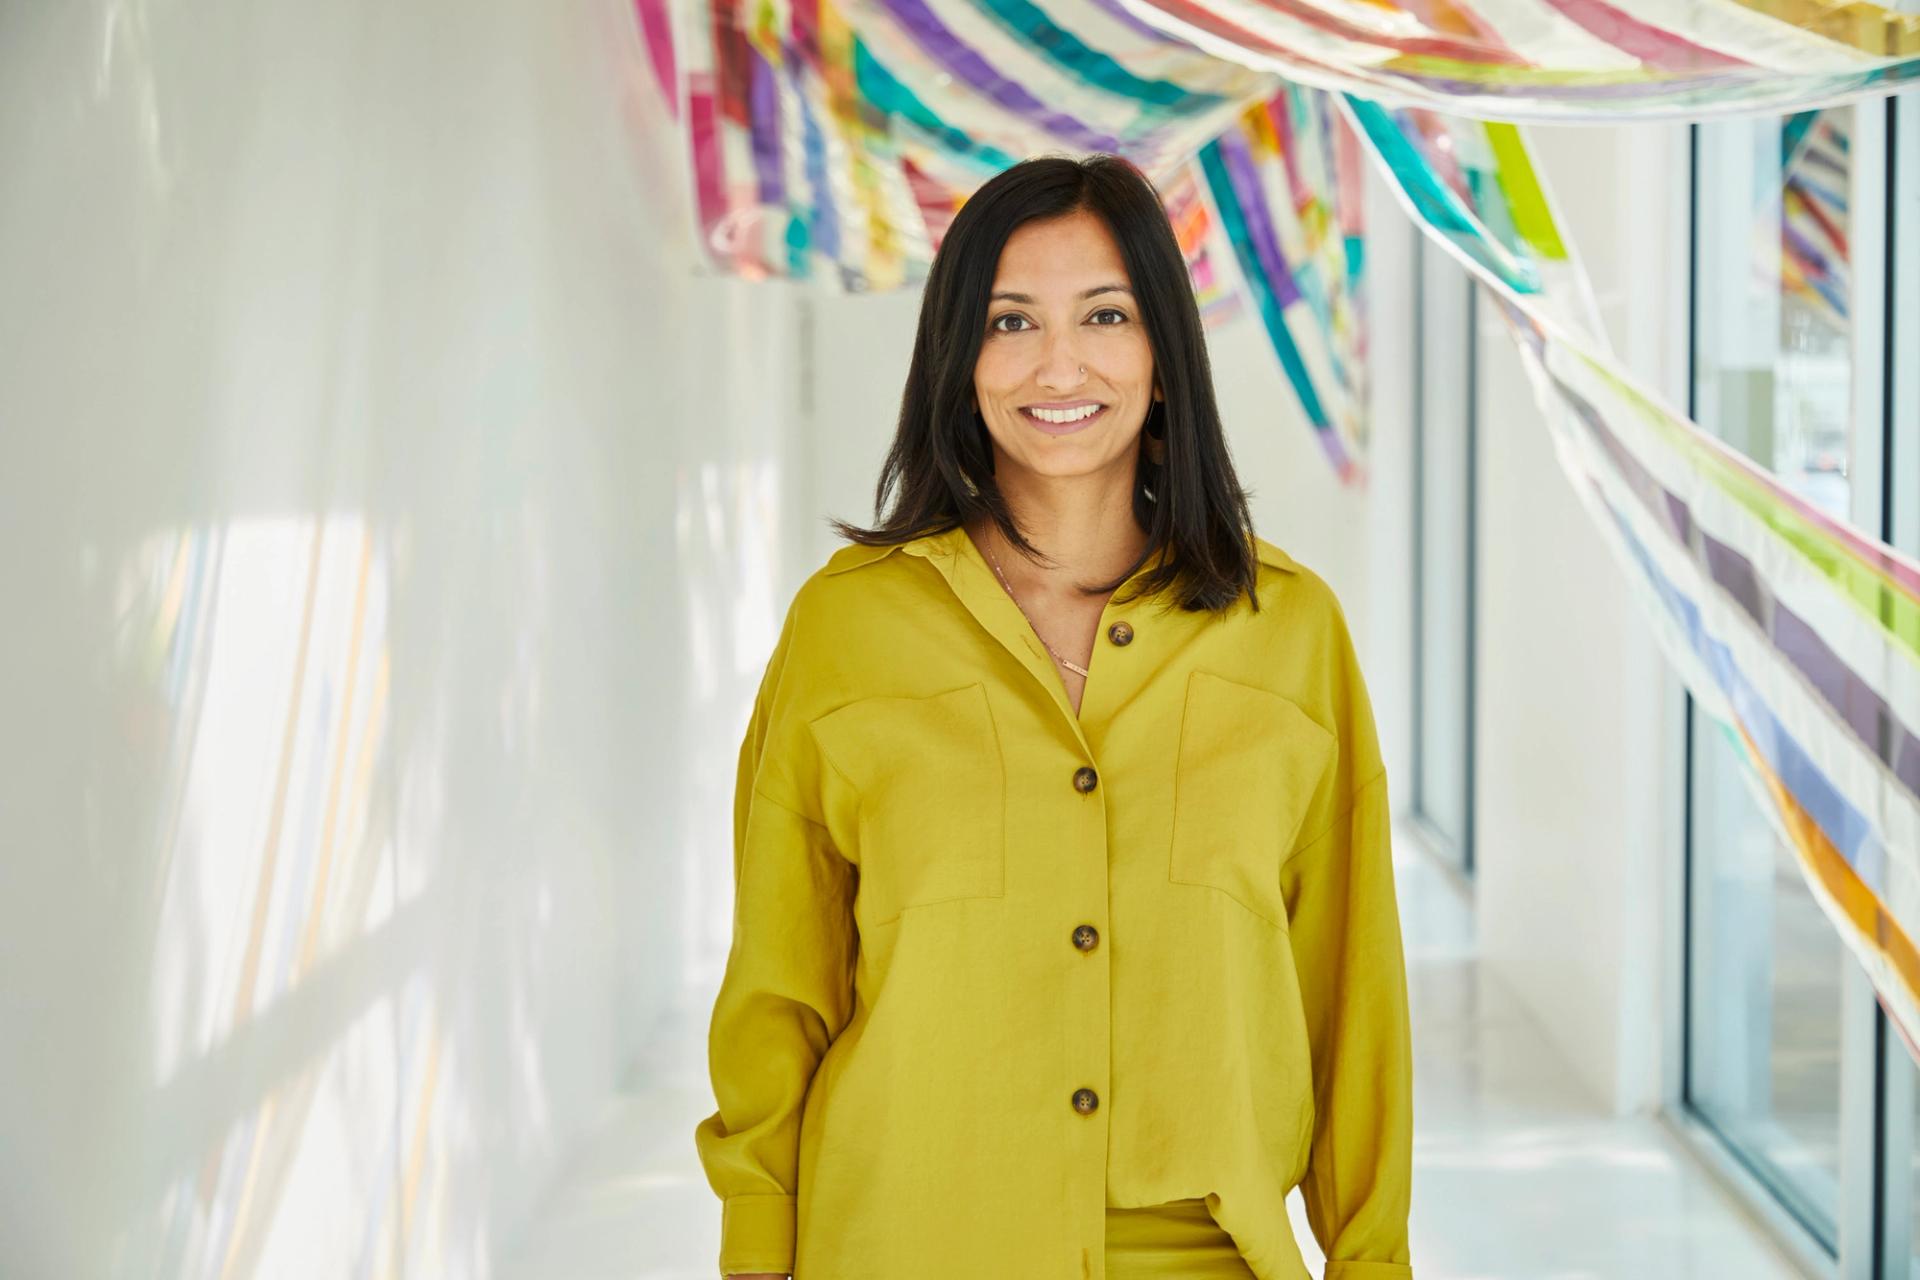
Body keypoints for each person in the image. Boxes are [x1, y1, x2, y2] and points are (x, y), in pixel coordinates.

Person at [692, 152, 1414, 1279]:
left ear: (1164, 357)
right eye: (1011, 320)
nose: (1058, 361)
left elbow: (1350, 992)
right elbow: (781, 980)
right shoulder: (847, 628)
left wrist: (1373, 1257)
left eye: (1106, 314)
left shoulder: (1293, 633)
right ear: (959, 360)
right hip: (902, 1242)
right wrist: (756, 1243)